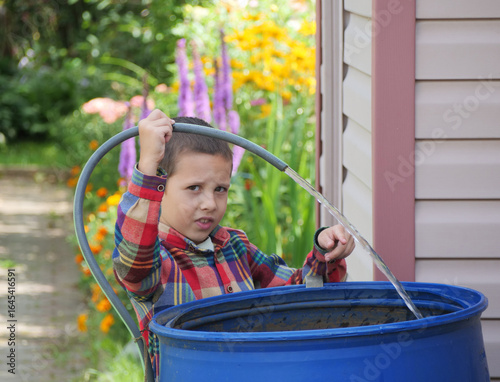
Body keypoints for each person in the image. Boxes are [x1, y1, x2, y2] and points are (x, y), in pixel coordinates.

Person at [113, 109, 355, 378]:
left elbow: (297, 295)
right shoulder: (156, 261)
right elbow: (133, 260)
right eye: (194, 188)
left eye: (220, 189)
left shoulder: (235, 247)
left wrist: (325, 254)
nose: (210, 203)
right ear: (162, 187)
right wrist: (148, 165)